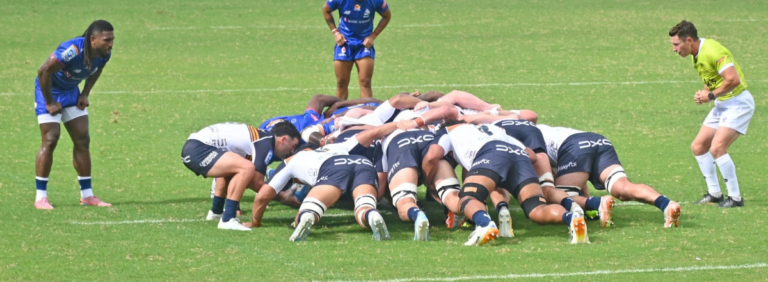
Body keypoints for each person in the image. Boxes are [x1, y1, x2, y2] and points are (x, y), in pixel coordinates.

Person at [420, 120, 589, 246]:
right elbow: (530, 155)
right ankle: (571, 217)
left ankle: (485, 224)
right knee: (536, 209)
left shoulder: (447, 131)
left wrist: (429, 183)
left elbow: (433, 155)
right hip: (519, 157)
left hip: (489, 153)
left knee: (468, 197)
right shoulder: (493, 128)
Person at [245, 133, 392, 242]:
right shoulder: (334, 146)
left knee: (309, 211)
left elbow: (263, 195)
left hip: (331, 168)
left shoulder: (292, 160)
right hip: (362, 162)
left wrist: (255, 221)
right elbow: (372, 133)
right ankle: (370, 214)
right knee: (363, 206)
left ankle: (307, 215)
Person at [669, 21, 753, 208]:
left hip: (738, 103)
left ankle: (735, 198)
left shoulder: (714, 51)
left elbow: (733, 79)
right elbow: (711, 77)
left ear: (688, 40)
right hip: (722, 103)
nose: (674, 49)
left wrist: (711, 95)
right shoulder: (694, 54)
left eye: (676, 44)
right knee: (699, 146)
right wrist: (704, 92)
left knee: (717, 148)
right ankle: (715, 193)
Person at [34, 20, 115, 210]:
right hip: (48, 90)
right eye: (107, 40)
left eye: (112, 39)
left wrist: (85, 93)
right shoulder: (72, 50)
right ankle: (41, 197)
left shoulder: (104, 54)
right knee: (51, 138)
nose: (111, 44)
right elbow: (43, 71)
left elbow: (97, 70)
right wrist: (49, 102)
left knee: (82, 139)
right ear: (93, 40)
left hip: (71, 92)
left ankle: (87, 196)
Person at [537, 123, 682, 227]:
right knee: (623, 188)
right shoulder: (536, 129)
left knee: (558, 196)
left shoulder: (525, 140)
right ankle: (666, 204)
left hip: (573, 145)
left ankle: (598, 203)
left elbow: (545, 179)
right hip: (598, 140)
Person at [183, 122, 301, 231]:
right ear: (284, 140)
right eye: (293, 146)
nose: (292, 151)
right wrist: (282, 198)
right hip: (198, 149)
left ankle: (216, 211)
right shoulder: (266, 142)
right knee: (247, 167)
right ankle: (228, 219)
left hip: (193, 147)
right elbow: (256, 183)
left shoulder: (261, 138)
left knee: (235, 168)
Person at [322, 0, 391, 99]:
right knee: (341, 83)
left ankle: (367, 115)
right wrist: (335, 32)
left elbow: (387, 16)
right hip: (344, 43)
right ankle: (340, 114)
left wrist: (373, 35)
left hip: (364, 44)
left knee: (365, 82)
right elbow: (326, 10)